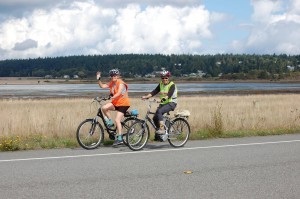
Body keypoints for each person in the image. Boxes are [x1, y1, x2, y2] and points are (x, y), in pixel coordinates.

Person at [96, 69, 130, 146]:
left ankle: (120, 138)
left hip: (124, 104)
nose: (113, 77)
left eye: (115, 75)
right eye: (111, 76)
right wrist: (98, 79)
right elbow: (102, 86)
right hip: (116, 103)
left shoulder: (121, 83)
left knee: (117, 119)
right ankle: (110, 123)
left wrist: (112, 97)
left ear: (118, 76)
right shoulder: (112, 83)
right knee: (104, 108)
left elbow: (118, 93)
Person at [141, 70, 177, 141]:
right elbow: (154, 91)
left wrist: (163, 99)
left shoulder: (172, 85)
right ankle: (159, 135)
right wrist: (146, 97)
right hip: (163, 103)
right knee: (155, 118)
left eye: (166, 78)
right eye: (163, 78)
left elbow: (169, 94)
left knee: (159, 111)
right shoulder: (161, 84)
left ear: (168, 78)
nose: (164, 79)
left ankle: (162, 129)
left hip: (171, 103)